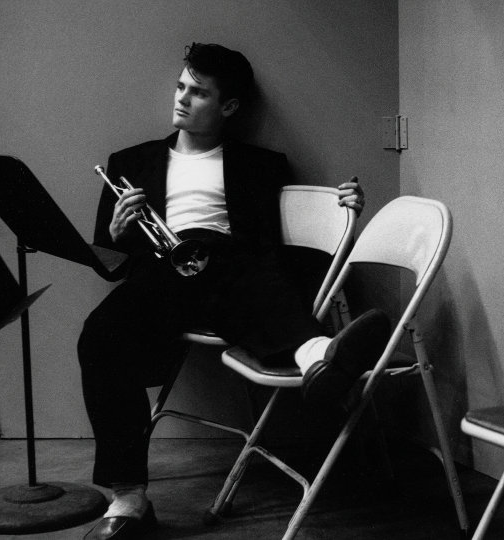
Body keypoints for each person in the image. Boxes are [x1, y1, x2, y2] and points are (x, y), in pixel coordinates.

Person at [78, 43, 390, 540]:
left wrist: (345, 209)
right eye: (181, 86)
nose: (182, 99)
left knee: (248, 269)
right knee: (99, 334)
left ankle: (318, 359)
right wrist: (117, 233)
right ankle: (129, 499)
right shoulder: (129, 162)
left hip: (235, 279)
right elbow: (109, 266)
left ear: (229, 107)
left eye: (198, 93)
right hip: (161, 277)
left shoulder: (261, 164)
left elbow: (284, 247)